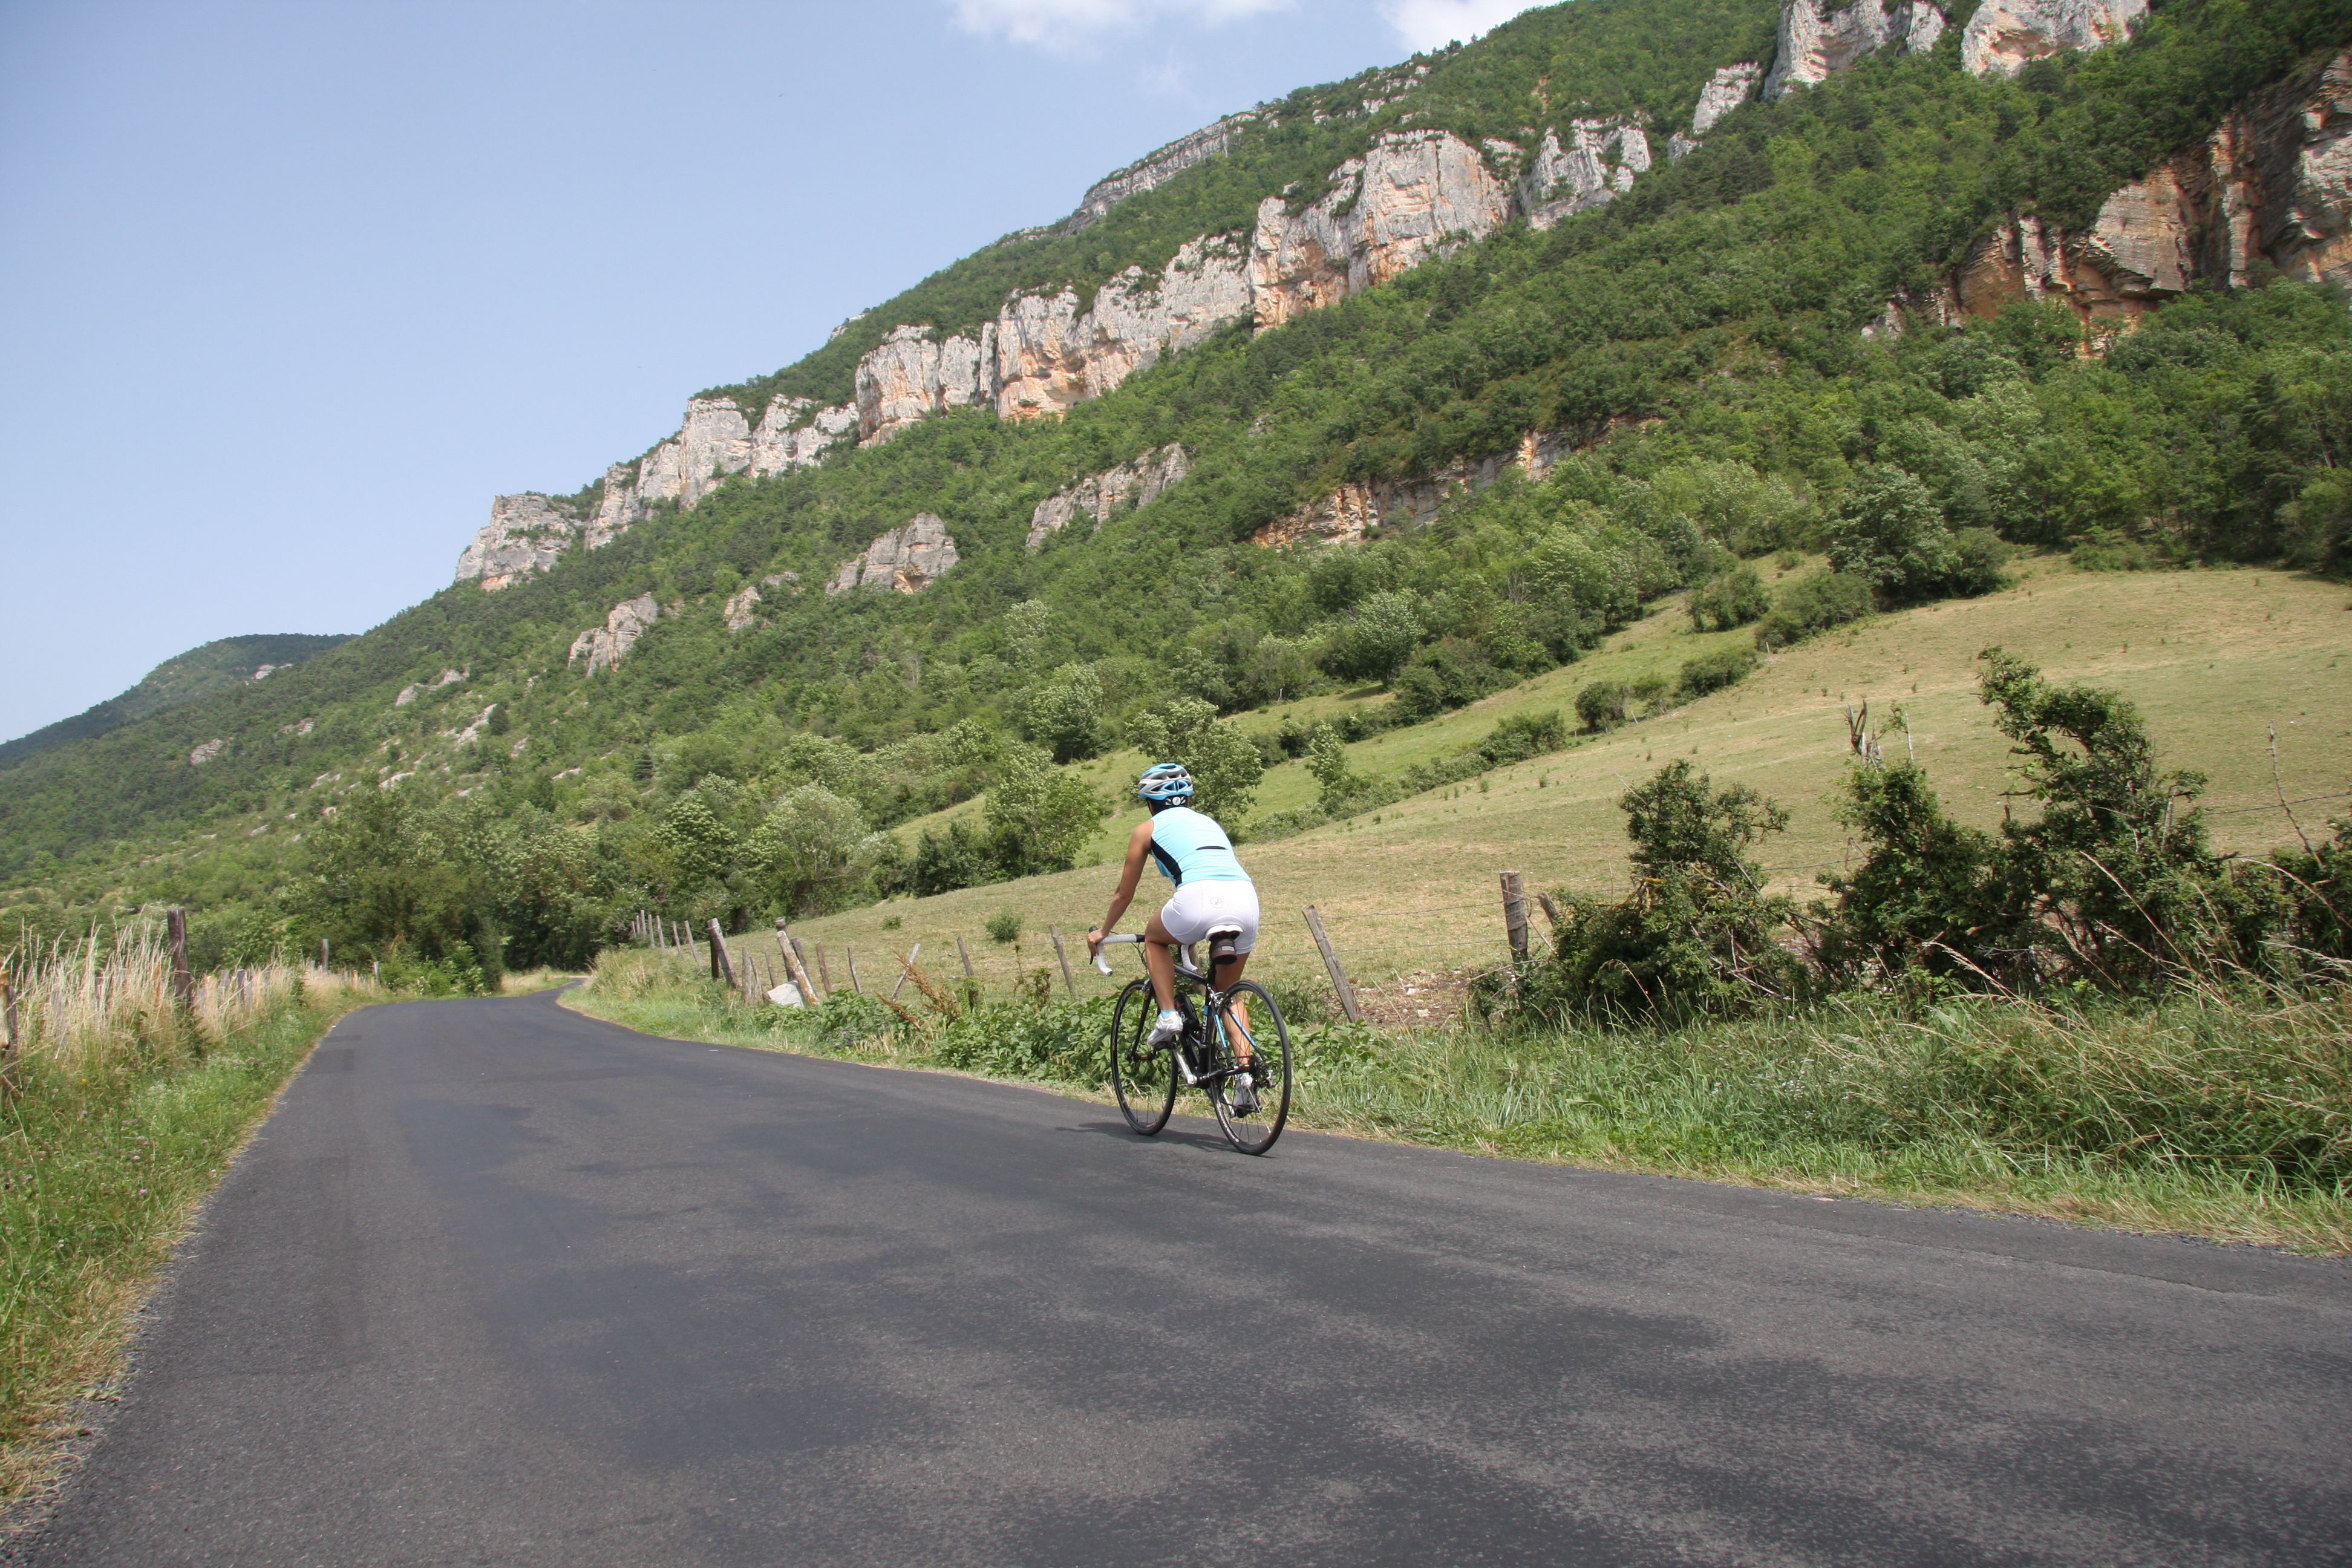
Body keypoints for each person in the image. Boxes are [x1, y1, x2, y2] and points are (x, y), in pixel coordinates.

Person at [1087, 762, 1262, 1108]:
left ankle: (1169, 1015)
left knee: (1155, 939)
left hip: (1196, 898)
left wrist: (1103, 933)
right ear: (1188, 798)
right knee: (1226, 994)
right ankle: (1245, 1076)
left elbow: (1124, 893)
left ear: (1150, 802)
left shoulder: (1146, 829)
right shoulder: (1209, 822)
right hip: (1245, 899)